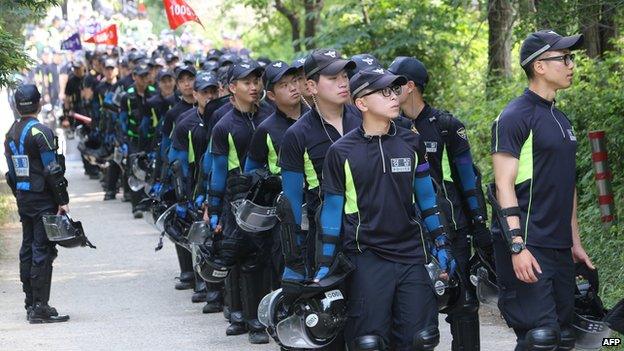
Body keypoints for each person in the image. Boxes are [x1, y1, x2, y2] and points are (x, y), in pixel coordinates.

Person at [318, 68, 455, 351]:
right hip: (366, 256)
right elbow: (332, 209)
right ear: (361, 103)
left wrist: (441, 242)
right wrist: (324, 263)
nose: (393, 96)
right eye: (383, 92)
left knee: (421, 339)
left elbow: (427, 197)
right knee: (369, 342)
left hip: (411, 254)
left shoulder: (411, 142)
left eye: (394, 90)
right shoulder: (341, 152)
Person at [491, 30, 594, 351]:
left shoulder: (561, 120)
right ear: (539, 66)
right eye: (563, 58)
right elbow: (502, 185)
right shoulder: (514, 117)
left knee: (564, 336)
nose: (571, 64)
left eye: (570, 58)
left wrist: (574, 241)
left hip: (559, 246)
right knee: (540, 337)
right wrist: (517, 246)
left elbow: (568, 184)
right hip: (528, 243)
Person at [389, 56, 492, 350]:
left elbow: (468, 179)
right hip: (411, 232)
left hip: (453, 228)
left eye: (394, 84)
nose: (388, 90)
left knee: (462, 303)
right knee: (419, 308)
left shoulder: (446, 125)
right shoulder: (390, 128)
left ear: (409, 87)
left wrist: (479, 225)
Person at [279, 49, 360, 284]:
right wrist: (294, 259)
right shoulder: (297, 134)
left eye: (345, 76)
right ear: (312, 87)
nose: (343, 83)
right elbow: (292, 201)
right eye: (333, 78)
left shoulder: (365, 119)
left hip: (374, 231)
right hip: (326, 236)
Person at [207, 60, 272, 344]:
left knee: (271, 258)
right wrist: (213, 208)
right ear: (232, 88)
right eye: (247, 82)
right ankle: (246, 318)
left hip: (270, 195)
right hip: (237, 200)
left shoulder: (270, 115)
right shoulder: (224, 125)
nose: (254, 87)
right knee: (242, 257)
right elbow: (218, 170)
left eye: (257, 81)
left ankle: (268, 315)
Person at [3, 84, 70, 323]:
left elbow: (11, 174)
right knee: (43, 249)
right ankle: (40, 307)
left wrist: (20, 196)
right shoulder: (41, 132)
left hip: (24, 197)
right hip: (42, 199)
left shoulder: (10, 133)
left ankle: (31, 302)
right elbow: (52, 169)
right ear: (39, 103)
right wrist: (63, 200)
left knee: (28, 247)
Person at [245, 60, 308, 288]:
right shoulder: (266, 129)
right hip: (283, 215)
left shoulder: (318, 118)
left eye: (295, 81)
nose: (293, 88)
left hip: (319, 205)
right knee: (285, 266)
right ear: (271, 95)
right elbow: (250, 170)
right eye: (284, 85)